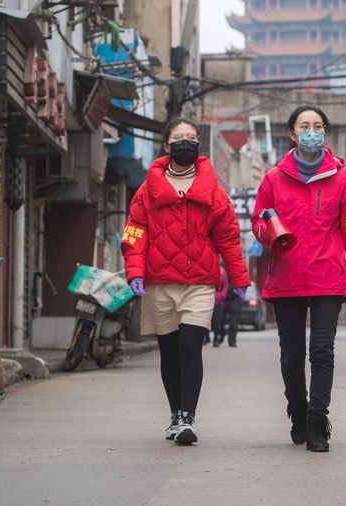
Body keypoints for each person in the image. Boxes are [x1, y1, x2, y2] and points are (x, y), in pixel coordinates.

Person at [121, 117, 249, 445]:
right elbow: (135, 233)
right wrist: (135, 272)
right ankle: (175, 414)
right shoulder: (146, 191)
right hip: (160, 281)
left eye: (192, 138)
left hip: (199, 282)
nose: (186, 142)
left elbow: (228, 238)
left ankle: (188, 419)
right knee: (169, 352)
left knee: (190, 346)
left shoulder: (213, 190)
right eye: (179, 137)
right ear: (166, 146)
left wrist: (239, 278)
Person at [251, 105, 346, 453]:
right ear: (292, 133)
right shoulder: (273, 178)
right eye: (305, 126)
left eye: (318, 126)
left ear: (325, 133)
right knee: (291, 356)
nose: (312, 132)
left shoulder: (342, 179)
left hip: (327, 278)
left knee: (321, 351)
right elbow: (258, 221)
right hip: (286, 278)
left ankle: (318, 422)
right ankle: (298, 412)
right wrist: (268, 232)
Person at [211, 266, 242, 347]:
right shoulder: (223, 268)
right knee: (219, 319)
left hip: (234, 297)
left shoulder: (237, 268)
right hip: (224, 298)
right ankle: (222, 334)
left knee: (234, 320)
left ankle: (232, 340)